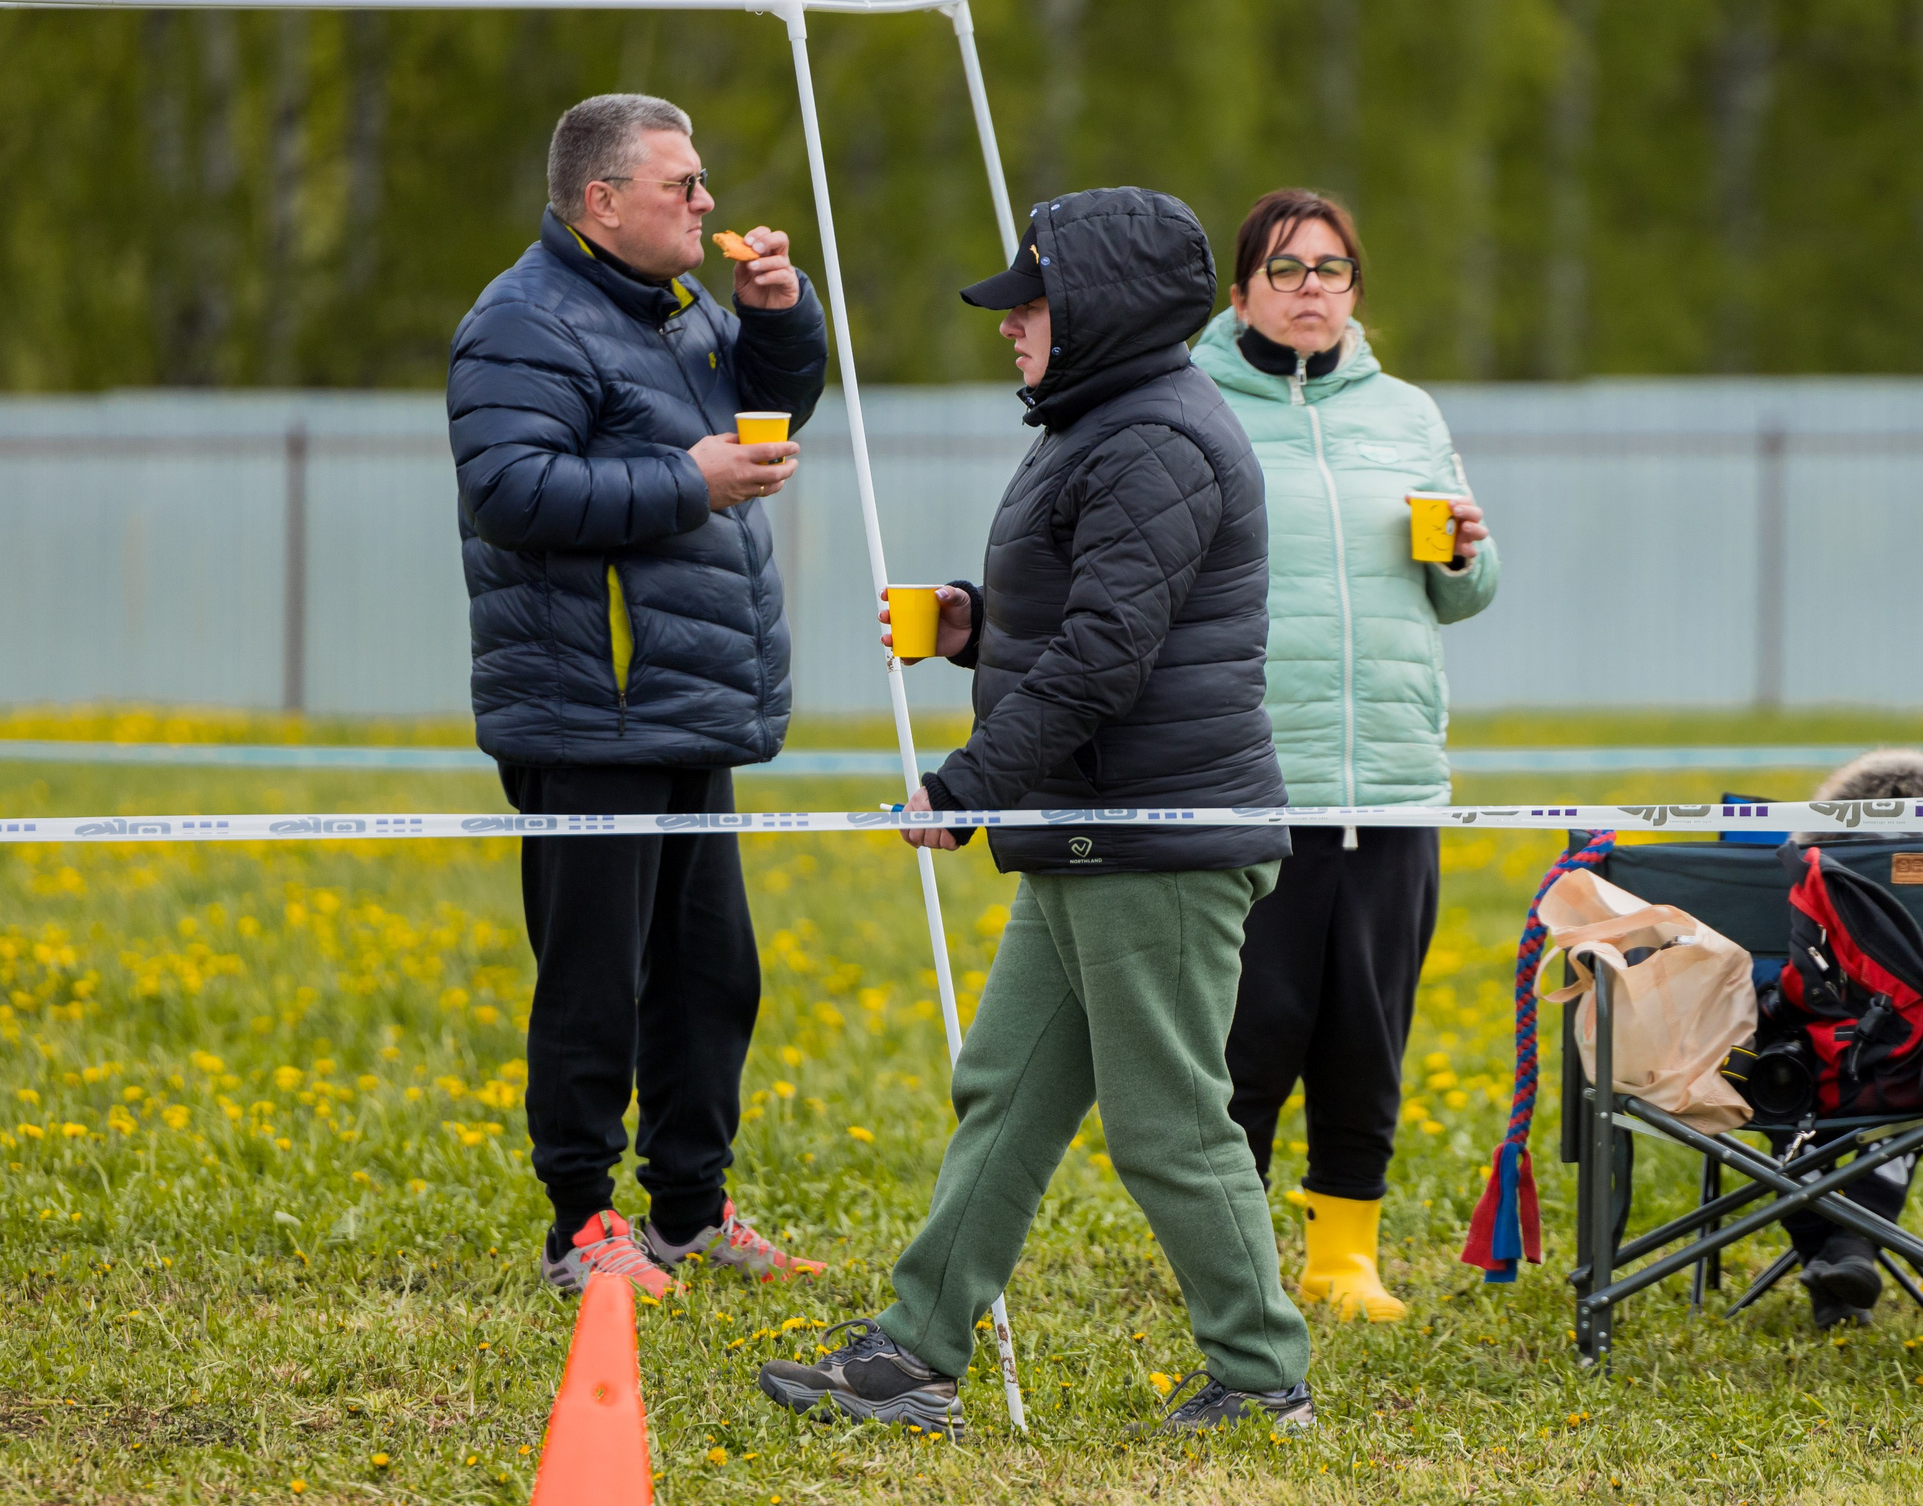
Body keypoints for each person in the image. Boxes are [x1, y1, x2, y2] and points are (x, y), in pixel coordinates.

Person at [755, 187, 1315, 1438]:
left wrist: (963, 788)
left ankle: (1264, 1375)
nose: (1011, 328)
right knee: (1004, 1088)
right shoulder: (1098, 424)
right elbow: (1087, 621)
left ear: (1101, 308)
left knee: (1169, 1121)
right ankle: (912, 1355)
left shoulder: (1153, 439)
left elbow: (1109, 655)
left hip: (1155, 839)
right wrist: (972, 623)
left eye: (1031, 304)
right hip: (1091, 828)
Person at [448, 93, 829, 1296]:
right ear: (601, 201)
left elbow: (752, 417)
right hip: (590, 704)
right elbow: (510, 490)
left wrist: (778, 323)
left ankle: (689, 1210)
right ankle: (581, 1224)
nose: (710, 204)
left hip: (686, 695)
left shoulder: (677, 309)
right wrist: (687, 479)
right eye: (685, 186)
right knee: (593, 978)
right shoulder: (520, 321)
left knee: (712, 973)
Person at [1190, 189, 1498, 1322]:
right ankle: (1227, 1256)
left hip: (1394, 780)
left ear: (1355, 287)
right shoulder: (1192, 407)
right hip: (1253, 776)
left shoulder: (1409, 413)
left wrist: (1466, 553)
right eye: (1285, 268)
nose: (1310, 286)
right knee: (1246, 1032)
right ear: (1241, 294)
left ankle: (1341, 1256)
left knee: (1369, 1029)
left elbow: (1466, 594)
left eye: (1330, 268)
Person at [1784, 748, 1923, 1330]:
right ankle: (1849, 1249)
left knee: (1785, 1104)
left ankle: (1842, 1258)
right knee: (1917, 1100)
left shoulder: (1806, 885)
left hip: (1807, 1065)